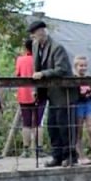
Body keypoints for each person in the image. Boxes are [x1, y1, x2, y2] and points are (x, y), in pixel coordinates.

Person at [30, 19, 78, 168]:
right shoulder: (36, 46)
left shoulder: (57, 48)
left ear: (43, 32)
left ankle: (70, 156)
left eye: (36, 34)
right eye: (33, 34)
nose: (34, 37)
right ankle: (57, 156)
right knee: (52, 126)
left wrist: (43, 74)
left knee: (65, 126)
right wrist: (36, 88)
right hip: (49, 92)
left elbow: (62, 69)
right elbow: (35, 68)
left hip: (63, 93)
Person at [15, 39, 44, 158]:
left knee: (26, 123)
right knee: (38, 123)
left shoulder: (20, 60)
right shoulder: (40, 59)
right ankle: (39, 149)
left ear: (25, 48)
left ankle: (25, 149)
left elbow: (17, 74)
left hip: (23, 93)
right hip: (38, 93)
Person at [72, 55, 91, 164]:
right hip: (78, 105)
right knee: (78, 131)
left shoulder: (88, 78)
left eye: (85, 66)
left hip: (89, 104)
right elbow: (78, 95)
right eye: (81, 66)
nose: (83, 68)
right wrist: (90, 93)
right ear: (76, 66)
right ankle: (81, 155)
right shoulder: (73, 79)